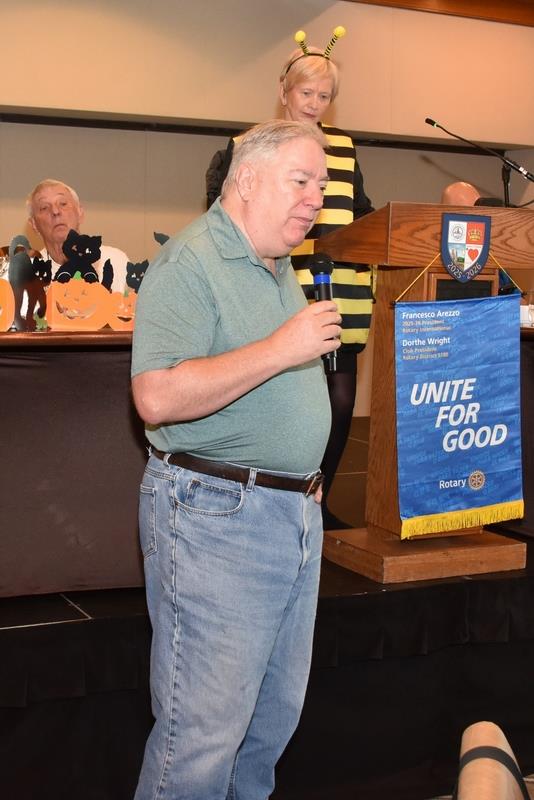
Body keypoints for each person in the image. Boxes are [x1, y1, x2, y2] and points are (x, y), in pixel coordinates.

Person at [131, 119, 341, 800]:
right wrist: (283, 348)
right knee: (203, 739)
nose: (316, 199)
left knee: (267, 729)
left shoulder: (277, 264)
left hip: (290, 515)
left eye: (322, 185)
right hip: (217, 519)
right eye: (301, 180)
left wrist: (299, 480)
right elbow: (156, 396)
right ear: (247, 180)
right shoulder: (191, 262)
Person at [207, 28, 375, 530]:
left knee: (340, 402)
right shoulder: (249, 145)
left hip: (340, 289)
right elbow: (221, 214)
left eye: (324, 96)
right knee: (285, 398)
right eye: (307, 93)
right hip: (276, 286)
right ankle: (272, 501)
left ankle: (319, 499)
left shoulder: (344, 148)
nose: (314, 104)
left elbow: (361, 212)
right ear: (284, 91)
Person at [26, 178, 128, 291]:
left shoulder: (116, 260)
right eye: (44, 208)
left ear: (80, 213)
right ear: (34, 224)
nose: (55, 211)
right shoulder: (27, 274)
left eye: (63, 204)